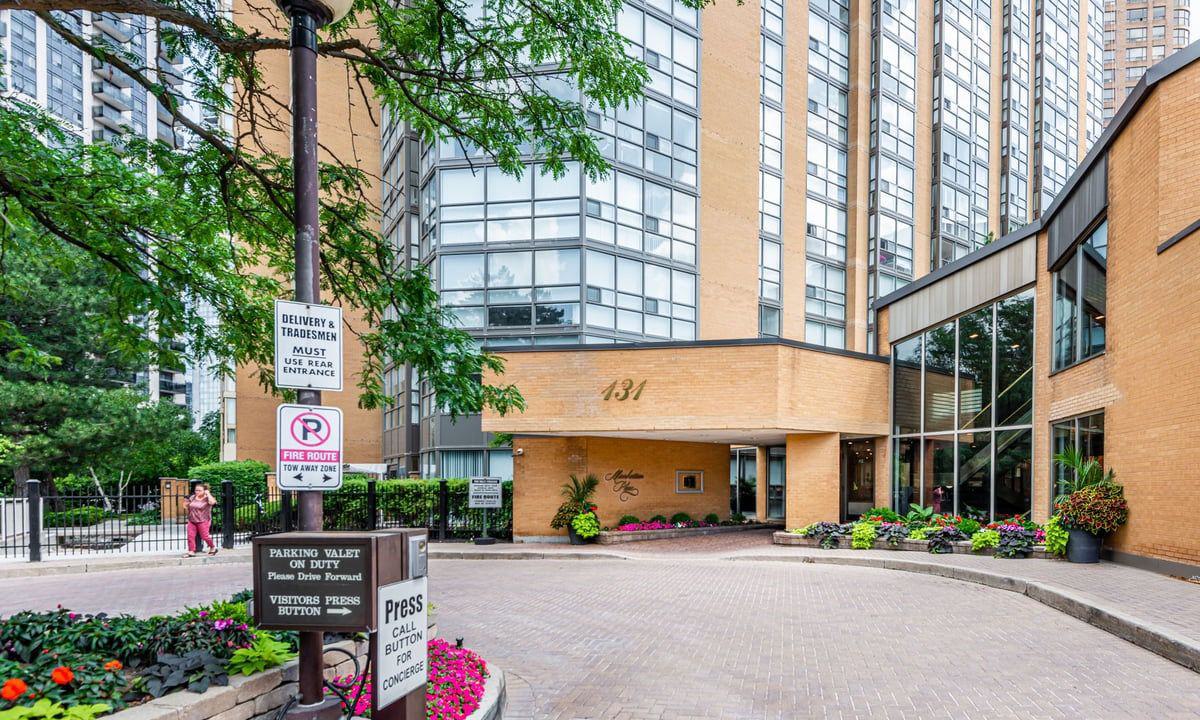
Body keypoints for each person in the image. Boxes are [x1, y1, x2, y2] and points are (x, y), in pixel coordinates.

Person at [183, 483, 218, 557]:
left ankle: (213, 547)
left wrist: (208, 493)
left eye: (199, 490)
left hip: (203, 520)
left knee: (205, 536)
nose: (197, 492)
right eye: (196, 490)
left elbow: (212, 502)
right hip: (192, 520)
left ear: (204, 491)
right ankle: (191, 551)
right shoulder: (192, 497)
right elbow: (185, 506)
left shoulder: (207, 498)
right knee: (190, 536)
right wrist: (185, 502)